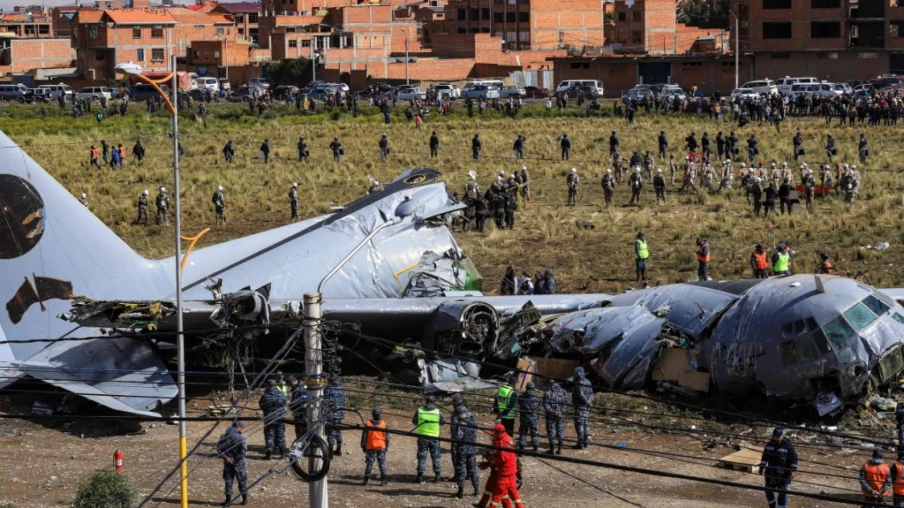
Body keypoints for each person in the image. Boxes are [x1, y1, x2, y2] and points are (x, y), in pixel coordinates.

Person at [485, 424, 523, 508]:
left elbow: (502, 459)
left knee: (497, 494)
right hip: (511, 470)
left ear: (498, 433)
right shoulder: (506, 438)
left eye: (493, 434)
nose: (491, 436)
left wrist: (491, 459)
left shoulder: (502, 443)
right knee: (513, 492)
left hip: (504, 472)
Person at [758, 427, 797, 508]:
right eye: (776, 436)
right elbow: (764, 457)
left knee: (782, 492)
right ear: (773, 435)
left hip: (783, 475)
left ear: (782, 436)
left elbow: (793, 458)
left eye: (779, 436)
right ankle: (772, 505)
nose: (778, 437)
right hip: (771, 473)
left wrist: (792, 471)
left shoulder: (787, 445)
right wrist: (761, 467)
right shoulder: (769, 445)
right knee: (768, 490)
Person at [412, 394, 445, 484]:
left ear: (426, 401)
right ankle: (437, 476)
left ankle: (420, 476)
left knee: (422, 456)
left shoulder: (419, 410)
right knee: (436, 456)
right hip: (434, 437)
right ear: (434, 402)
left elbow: (414, 421)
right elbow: (442, 423)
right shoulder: (438, 412)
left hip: (422, 436)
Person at [217, 421, 248, 506]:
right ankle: (244, 500)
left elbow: (219, 449)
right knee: (242, 481)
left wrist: (226, 458)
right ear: (237, 427)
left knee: (228, 481)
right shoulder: (241, 438)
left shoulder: (224, 436)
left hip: (228, 463)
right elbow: (244, 451)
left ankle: (228, 501)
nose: (242, 429)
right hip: (239, 463)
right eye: (242, 428)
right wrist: (236, 459)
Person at [453, 405, 480, 498]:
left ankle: (460, 491)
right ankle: (476, 489)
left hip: (463, 449)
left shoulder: (460, 424)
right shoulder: (473, 420)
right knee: (472, 470)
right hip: (472, 448)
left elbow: (458, 437)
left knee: (461, 469)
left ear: (461, 414)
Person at [259, 379, 287, 460]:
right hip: (280, 418)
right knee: (280, 435)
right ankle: (283, 454)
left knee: (269, 435)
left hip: (269, 419)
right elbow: (284, 403)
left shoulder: (265, 395)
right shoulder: (281, 394)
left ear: (268, 386)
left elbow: (261, 405)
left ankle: (269, 455)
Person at [361, 408, 390, 486]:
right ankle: (383, 480)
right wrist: (387, 446)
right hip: (381, 446)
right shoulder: (384, 424)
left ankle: (366, 480)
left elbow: (364, 436)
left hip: (371, 446)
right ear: (379, 414)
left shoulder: (367, 423)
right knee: (382, 464)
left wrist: (363, 446)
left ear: (372, 414)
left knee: (369, 463)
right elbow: (387, 437)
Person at [570, 367, 593, 450]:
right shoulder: (588, 381)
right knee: (586, 424)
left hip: (580, 407)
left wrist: (586, 402)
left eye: (575, 373)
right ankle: (585, 442)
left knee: (579, 425)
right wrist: (589, 402)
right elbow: (591, 394)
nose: (574, 374)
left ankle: (580, 443)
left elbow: (580, 395)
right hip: (586, 407)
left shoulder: (579, 383)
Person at [543, 380, 567, 455]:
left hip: (551, 416)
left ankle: (552, 449)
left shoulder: (547, 392)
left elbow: (546, 405)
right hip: (561, 416)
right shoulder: (563, 391)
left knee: (551, 432)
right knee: (560, 431)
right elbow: (566, 404)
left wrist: (554, 412)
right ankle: (559, 449)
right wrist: (561, 412)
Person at [325, 378, 347, 456]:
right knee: (338, 431)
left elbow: (326, 401)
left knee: (331, 432)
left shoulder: (329, 389)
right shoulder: (341, 389)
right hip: (340, 414)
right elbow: (345, 401)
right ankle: (339, 449)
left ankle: (330, 452)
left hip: (332, 414)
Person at [517, 381, 540, 452]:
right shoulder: (537, 397)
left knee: (523, 432)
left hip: (524, 418)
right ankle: (535, 448)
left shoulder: (521, 396)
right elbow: (538, 405)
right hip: (534, 418)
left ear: (526, 387)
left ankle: (521, 448)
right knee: (534, 433)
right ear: (533, 388)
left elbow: (519, 402)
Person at [287, 375, 309, 442]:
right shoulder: (303, 386)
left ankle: (302, 449)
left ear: (292, 382)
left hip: (301, 414)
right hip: (305, 413)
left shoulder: (298, 390)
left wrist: (290, 404)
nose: (289, 386)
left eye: (289, 384)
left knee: (300, 433)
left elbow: (295, 404)